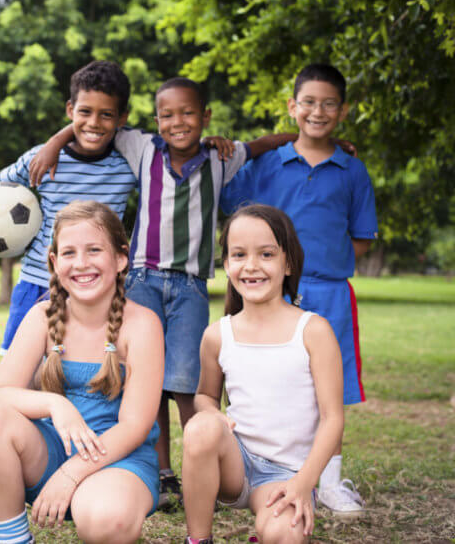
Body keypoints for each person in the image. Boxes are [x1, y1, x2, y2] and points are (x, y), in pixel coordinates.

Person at [29, 77, 339, 509]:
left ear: (206, 117)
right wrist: (51, 145)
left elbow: (265, 142)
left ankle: (201, 467)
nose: (179, 122)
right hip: (142, 277)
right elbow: (94, 123)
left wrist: (321, 143)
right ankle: (161, 472)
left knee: (186, 380)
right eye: (168, 115)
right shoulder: (141, 148)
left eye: (189, 113)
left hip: (191, 284)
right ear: (155, 121)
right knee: (147, 380)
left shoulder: (220, 158)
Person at [220, 63, 377, 515]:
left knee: (333, 383)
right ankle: (257, 469)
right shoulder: (269, 163)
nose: (318, 111)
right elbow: (232, 206)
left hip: (329, 291)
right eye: (308, 101)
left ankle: (328, 481)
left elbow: (361, 236)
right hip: (272, 289)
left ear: (343, 111)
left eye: (329, 103)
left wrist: (323, 264)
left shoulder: (352, 170)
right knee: (270, 378)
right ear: (293, 107)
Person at [0, 201, 164, 544]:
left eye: (94, 250)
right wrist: (57, 406)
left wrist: (72, 474)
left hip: (118, 460)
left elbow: (134, 427)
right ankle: (12, 540)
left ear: (121, 258)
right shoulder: (43, 316)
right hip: (51, 451)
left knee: (106, 521)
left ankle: (101, 505)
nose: (81, 263)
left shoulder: (142, 324)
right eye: (69, 253)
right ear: (55, 264)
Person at [181, 204, 344, 544]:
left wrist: (304, 482)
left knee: (284, 535)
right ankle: (198, 540)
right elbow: (205, 396)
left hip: (286, 475)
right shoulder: (218, 334)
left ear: (288, 262)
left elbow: (333, 419)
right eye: (239, 255)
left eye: (266, 254)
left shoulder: (313, 331)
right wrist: (212, 416)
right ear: (226, 265)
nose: (251, 266)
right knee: (200, 427)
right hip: (234, 465)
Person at [0, 60, 137, 356]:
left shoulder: (129, 164)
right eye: (85, 112)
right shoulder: (44, 158)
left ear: (122, 118)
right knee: (22, 370)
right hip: (38, 281)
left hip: (95, 287)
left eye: (106, 115)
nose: (94, 123)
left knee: (81, 368)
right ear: (69, 110)